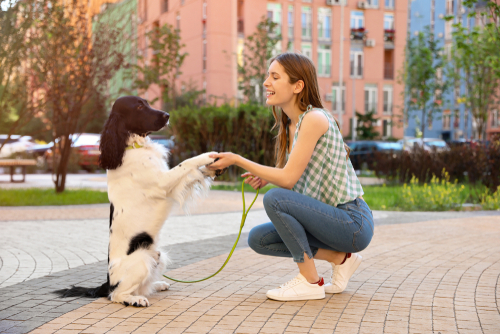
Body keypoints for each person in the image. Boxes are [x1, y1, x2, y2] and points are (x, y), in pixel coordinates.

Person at [207, 52, 374, 302]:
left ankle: (310, 282)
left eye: (275, 77)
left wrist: (238, 160)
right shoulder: (290, 125)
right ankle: (342, 259)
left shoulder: (314, 118)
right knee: (259, 238)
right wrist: (266, 177)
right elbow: (291, 175)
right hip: (329, 221)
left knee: (275, 199)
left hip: (352, 221)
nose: (266, 83)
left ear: (297, 86)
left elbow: (286, 180)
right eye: (268, 76)